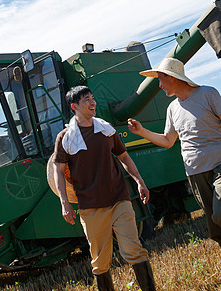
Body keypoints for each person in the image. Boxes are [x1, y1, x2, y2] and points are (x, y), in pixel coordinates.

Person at [128, 58, 221, 278]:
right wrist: (142, 132)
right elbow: (167, 140)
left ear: (172, 77)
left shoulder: (208, 93)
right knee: (216, 228)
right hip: (195, 172)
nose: (159, 85)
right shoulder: (173, 108)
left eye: (160, 79)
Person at [53, 86, 156, 291]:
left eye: (92, 98)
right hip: (90, 206)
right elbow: (58, 171)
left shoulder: (106, 130)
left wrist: (139, 181)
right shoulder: (65, 137)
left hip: (119, 198)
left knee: (133, 250)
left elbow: (123, 156)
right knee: (100, 261)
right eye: (86, 100)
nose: (93, 103)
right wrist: (65, 202)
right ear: (74, 106)